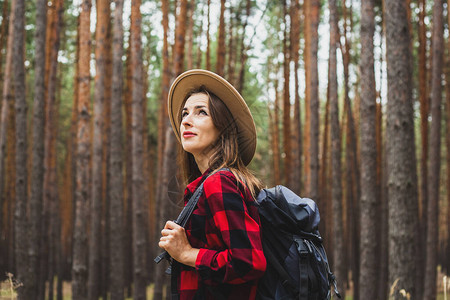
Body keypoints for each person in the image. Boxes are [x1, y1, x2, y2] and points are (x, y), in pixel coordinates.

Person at [158, 69, 267, 300]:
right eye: (185, 113)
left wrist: (187, 253)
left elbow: (248, 262)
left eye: (201, 112)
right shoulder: (209, 184)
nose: (186, 120)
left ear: (222, 128)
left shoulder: (219, 183)